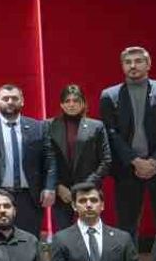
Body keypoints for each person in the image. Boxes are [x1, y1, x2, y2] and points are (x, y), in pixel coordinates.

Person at [99, 46, 156, 243]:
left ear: (148, 64)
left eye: (138, 61)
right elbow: (111, 133)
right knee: (127, 227)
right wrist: (135, 161)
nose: (133, 66)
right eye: (128, 62)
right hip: (127, 169)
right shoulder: (109, 95)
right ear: (122, 66)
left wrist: (154, 160)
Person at [0, 85, 54, 238]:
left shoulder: (38, 127)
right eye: (5, 98)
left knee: (28, 241)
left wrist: (49, 187)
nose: (10, 102)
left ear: (22, 101)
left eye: (14, 98)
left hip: (29, 197)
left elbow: (49, 158)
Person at [47, 85, 110, 231]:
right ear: (61, 104)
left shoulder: (96, 126)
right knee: (63, 235)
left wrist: (85, 186)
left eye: (75, 100)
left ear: (83, 103)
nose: (71, 104)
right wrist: (57, 187)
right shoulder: (48, 125)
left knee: (91, 232)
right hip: (61, 193)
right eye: (67, 101)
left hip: (89, 190)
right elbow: (45, 160)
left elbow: (106, 160)